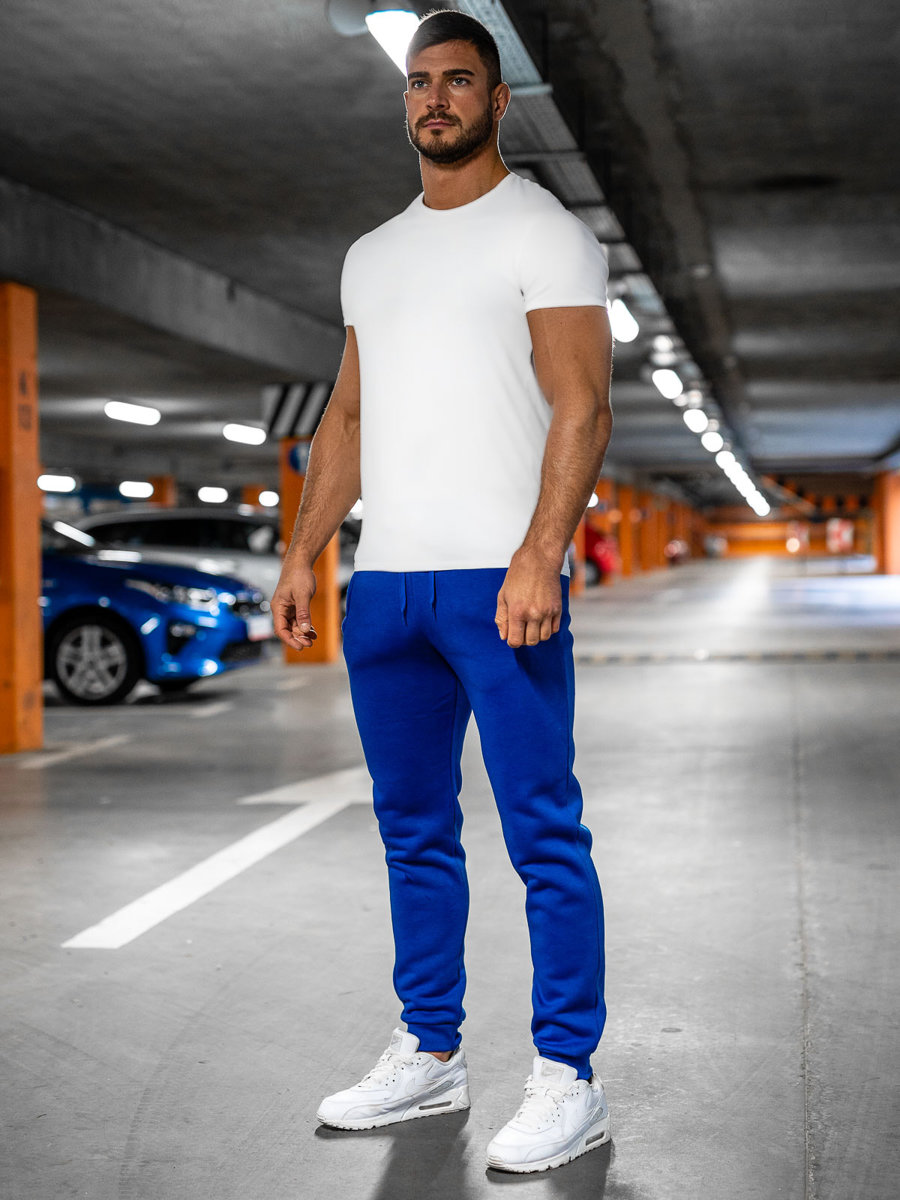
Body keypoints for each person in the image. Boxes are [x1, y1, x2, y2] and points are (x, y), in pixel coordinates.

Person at [272, 9, 614, 1175]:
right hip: (389, 591)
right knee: (413, 834)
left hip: (498, 585)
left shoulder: (546, 235)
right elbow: (347, 419)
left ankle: (569, 1077)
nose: (434, 98)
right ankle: (430, 1054)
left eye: (458, 80)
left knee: (543, 835)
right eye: (419, 82)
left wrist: (541, 554)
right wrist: (303, 555)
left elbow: (583, 406)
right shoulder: (372, 256)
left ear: (497, 99)